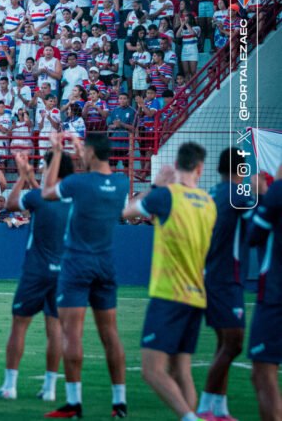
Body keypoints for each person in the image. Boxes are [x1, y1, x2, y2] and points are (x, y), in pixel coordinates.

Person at [122, 143, 216, 421]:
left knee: (152, 371)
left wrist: (157, 185)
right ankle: (190, 416)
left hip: (169, 293)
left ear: (176, 165)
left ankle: (190, 418)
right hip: (197, 294)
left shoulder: (167, 196)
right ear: (200, 168)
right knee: (181, 370)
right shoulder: (208, 203)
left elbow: (127, 212)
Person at [41, 132, 129, 419]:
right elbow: (95, 177)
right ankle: (119, 402)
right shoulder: (120, 182)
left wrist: (56, 154)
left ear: (90, 153)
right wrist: (85, 153)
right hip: (106, 263)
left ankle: (74, 402)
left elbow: (47, 192)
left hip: (77, 262)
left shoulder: (78, 183)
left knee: (72, 334)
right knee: (110, 334)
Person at [0, 150, 72, 403]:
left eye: (44, 165)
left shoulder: (38, 196)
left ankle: (10, 385)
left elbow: (12, 203)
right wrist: (32, 180)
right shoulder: (72, 198)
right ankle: (49, 388)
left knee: (19, 326)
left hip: (36, 271)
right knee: (55, 330)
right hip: (63, 272)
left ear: (53, 168)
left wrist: (22, 178)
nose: (41, 168)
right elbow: (45, 197)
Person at [197, 148, 254, 420]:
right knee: (233, 344)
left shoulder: (210, 194)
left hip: (210, 275)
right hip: (226, 278)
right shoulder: (240, 195)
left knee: (224, 344)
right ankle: (205, 407)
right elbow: (256, 232)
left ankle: (220, 409)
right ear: (240, 170)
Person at [245, 171, 282, 421]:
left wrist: (265, 194)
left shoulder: (276, 193)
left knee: (262, 371)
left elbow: (253, 236)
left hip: (275, 296)